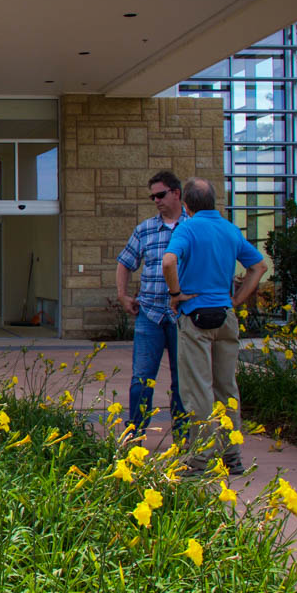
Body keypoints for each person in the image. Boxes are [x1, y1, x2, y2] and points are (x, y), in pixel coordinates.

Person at [161, 177, 267, 474]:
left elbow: (169, 262)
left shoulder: (187, 228)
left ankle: (199, 460)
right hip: (224, 315)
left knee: (197, 390)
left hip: (195, 315)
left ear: (186, 204)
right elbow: (259, 266)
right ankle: (232, 456)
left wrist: (175, 294)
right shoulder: (230, 230)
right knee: (226, 388)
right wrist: (236, 300)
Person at [116, 170, 189, 435]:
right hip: (150, 313)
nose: (156, 201)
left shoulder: (193, 227)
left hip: (183, 315)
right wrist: (123, 295)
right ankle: (134, 433)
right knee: (141, 378)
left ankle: (183, 434)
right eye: (153, 197)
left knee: (183, 380)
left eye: (160, 194)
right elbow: (125, 262)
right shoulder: (145, 229)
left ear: (176, 193)